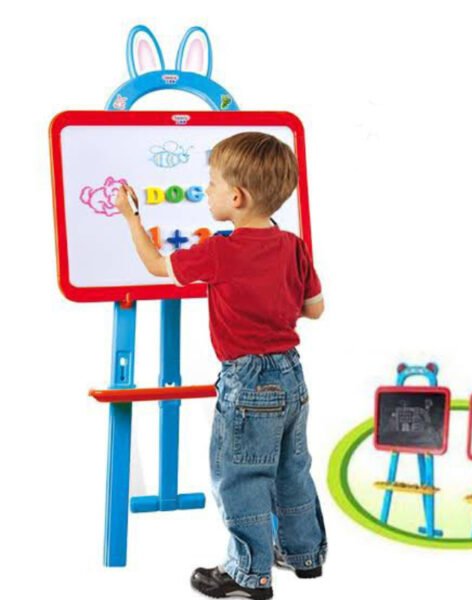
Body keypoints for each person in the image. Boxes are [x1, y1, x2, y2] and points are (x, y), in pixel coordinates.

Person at [114, 131, 327, 600]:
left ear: (237, 197)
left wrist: (131, 217)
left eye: (211, 184)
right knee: (292, 469)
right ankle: (304, 555)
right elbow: (314, 309)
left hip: (246, 380)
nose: (205, 192)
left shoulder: (219, 251)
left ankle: (249, 576)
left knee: (241, 477)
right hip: (292, 375)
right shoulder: (293, 245)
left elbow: (155, 265)